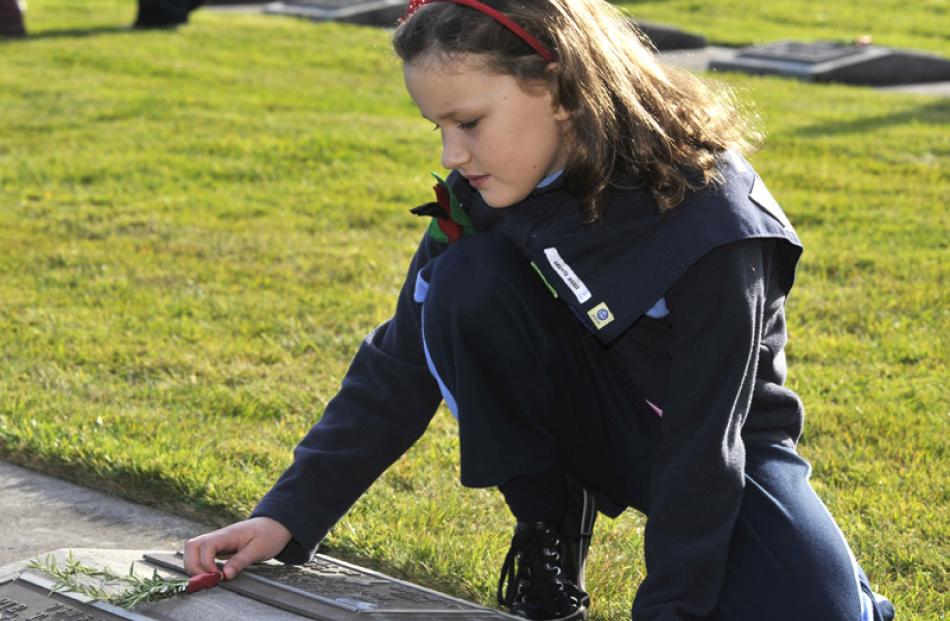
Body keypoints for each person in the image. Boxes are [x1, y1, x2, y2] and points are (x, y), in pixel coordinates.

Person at [183, 1, 896, 619]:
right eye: (437, 127)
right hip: (592, 424)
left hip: (722, 447)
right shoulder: (483, 193)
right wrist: (285, 514)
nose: (452, 152)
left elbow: (706, 447)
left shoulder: (711, 212)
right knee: (464, 284)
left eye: (467, 122)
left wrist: (670, 607)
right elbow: (401, 359)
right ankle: (550, 522)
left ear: (559, 88)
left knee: (815, 609)